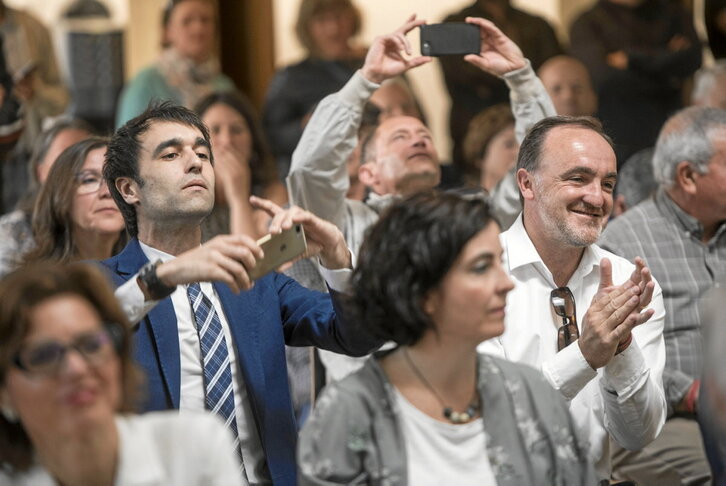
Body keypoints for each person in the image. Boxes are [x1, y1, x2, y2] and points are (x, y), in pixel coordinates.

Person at [101, 101, 381, 485]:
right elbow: (89, 333)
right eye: (171, 153)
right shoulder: (102, 284)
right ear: (129, 188)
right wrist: (163, 276)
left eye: (202, 153)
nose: (196, 162)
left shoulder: (256, 280)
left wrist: (337, 258)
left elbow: (355, 335)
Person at [287, 15, 556, 379]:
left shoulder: (469, 216)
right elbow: (309, 171)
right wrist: (366, 81)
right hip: (373, 399)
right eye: (399, 137)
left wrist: (521, 77)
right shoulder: (343, 222)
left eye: (424, 136)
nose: (418, 139)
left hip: (464, 388)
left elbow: (539, 170)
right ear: (368, 173)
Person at [298, 191, 596, 485]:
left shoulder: (530, 393)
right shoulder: (349, 413)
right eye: (481, 267)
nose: (506, 283)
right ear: (422, 292)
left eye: (499, 262)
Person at [477, 115, 667, 480]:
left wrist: (622, 347)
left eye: (608, 183)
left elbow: (638, 436)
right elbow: (494, 422)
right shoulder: (477, 275)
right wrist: (586, 355)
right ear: (527, 183)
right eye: (578, 178)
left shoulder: (631, 284)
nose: (597, 198)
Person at [0, 262, 241, 485]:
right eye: (43, 356)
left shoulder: (193, 447)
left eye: (91, 345)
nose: (77, 369)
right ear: (4, 394)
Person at [598, 106, 726, 485]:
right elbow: (618, 355)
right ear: (688, 176)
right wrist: (696, 395)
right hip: (665, 416)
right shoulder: (622, 245)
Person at [570, 0, 702, 165]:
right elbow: (604, 79)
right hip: (618, 136)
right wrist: (666, 64)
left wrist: (632, 59)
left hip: (671, 132)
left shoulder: (673, 13)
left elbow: (693, 60)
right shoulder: (587, 23)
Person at [439, 0, 561, 170]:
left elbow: (555, 73)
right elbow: (461, 78)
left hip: (533, 125)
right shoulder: (455, 24)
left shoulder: (537, 24)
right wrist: (516, 75)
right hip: (472, 130)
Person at [263, 0, 366, 177]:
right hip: (321, 177)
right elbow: (270, 138)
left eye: (339, 16)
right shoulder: (291, 77)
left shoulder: (374, 62)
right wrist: (306, 126)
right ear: (307, 27)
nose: (333, 28)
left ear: (353, 17)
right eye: (322, 20)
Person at [116, 0, 234, 126]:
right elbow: (126, 142)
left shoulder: (224, 86)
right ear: (167, 31)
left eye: (205, 20)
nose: (198, 28)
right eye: (187, 21)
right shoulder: (146, 83)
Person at [0, 118, 92, 277]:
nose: (79, 170)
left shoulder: (112, 227)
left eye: (87, 160)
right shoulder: (10, 232)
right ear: (40, 171)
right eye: (65, 158)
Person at [20, 137, 126, 267]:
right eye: (90, 180)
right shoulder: (41, 283)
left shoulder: (146, 274)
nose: (107, 192)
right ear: (61, 195)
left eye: (116, 180)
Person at [195, 90, 287, 239]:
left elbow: (255, 259)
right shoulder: (186, 196)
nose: (227, 141)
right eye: (215, 130)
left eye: (236, 130)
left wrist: (238, 198)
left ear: (253, 145)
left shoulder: (272, 194)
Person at [461, 103, 518, 191]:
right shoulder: (462, 203)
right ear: (481, 155)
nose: (519, 152)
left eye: (524, 144)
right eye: (509, 144)